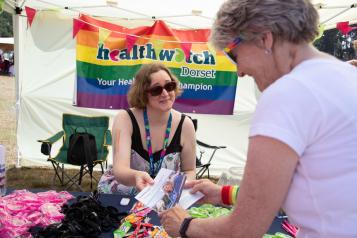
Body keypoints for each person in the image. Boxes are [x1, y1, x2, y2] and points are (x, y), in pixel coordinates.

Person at [159, 0, 357, 237]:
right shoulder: (344, 75)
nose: (239, 70)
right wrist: (222, 194)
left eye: (234, 54)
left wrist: (184, 225)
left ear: (265, 38)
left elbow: (244, 230)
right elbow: (311, 187)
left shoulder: (288, 94)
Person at [98, 62, 196, 195]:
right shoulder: (125, 119)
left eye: (169, 86)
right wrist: (136, 176)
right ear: (143, 93)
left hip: (165, 196)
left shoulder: (186, 124)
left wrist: (177, 185)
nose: (165, 93)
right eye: (156, 90)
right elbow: (120, 170)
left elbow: (190, 170)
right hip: (125, 192)